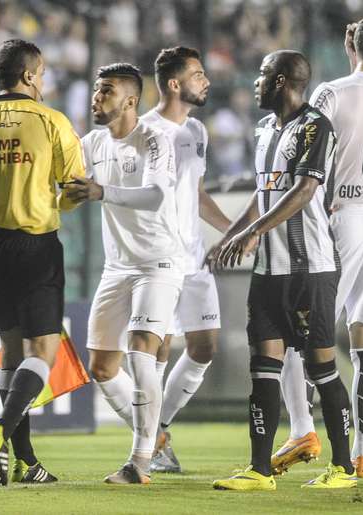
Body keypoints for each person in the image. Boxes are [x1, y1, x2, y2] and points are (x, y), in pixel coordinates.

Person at [274, 16, 363, 479]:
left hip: (344, 217)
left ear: (349, 47)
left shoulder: (331, 92)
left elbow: (307, 150)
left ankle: (302, 429)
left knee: (301, 331)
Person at [210, 50, 356, 491]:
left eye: (261, 74)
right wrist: (232, 234)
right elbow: (264, 193)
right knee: (263, 367)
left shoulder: (316, 126)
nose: (254, 82)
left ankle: (344, 469)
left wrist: (251, 231)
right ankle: (258, 471)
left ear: (281, 81)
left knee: (321, 367)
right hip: (268, 271)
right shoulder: (262, 130)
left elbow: (305, 189)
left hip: (310, 269)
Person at [0, 39, 85, 486]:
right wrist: (60, 199)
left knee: (11, 355)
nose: (44, 81)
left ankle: (26, 462)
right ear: (29, 75)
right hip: (35, 245)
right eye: (43, 73)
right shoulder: (51, 121)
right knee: (42, 353)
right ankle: (1, 432)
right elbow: (74, 190)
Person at [64, 63, 182, 485]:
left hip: (159, 261)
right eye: (96, 91)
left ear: (131, 100)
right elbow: (64, 181)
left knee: (140, 350)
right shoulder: (91, 143)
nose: (97, 98)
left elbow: (154, 196)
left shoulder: (154, 140)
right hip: (117, 267)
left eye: (107, 91)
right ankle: (155, 437)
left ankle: (140, 462)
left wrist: (99, 191)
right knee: (101, 367)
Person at [139, 46, 231, 473]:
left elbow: (194, 192)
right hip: (157, 257)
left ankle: (158, 427)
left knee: (205, 344)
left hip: (193, 258)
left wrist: (232, 228)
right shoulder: (142, 132)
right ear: (174, 84)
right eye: (197, 74)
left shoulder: (197, 130)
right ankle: (149, 444)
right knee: (156, 350)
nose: (205, 80)